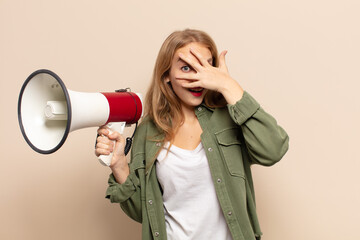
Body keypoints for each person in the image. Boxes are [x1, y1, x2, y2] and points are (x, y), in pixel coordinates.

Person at [95, 29, 289, 240]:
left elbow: (274, 149)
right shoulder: (148, 130)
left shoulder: (230, 117)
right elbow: (147, 214)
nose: (197, 78)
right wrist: (120, 166)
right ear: (167, 74)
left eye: (204, 67)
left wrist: (228, 85)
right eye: (186, 68)